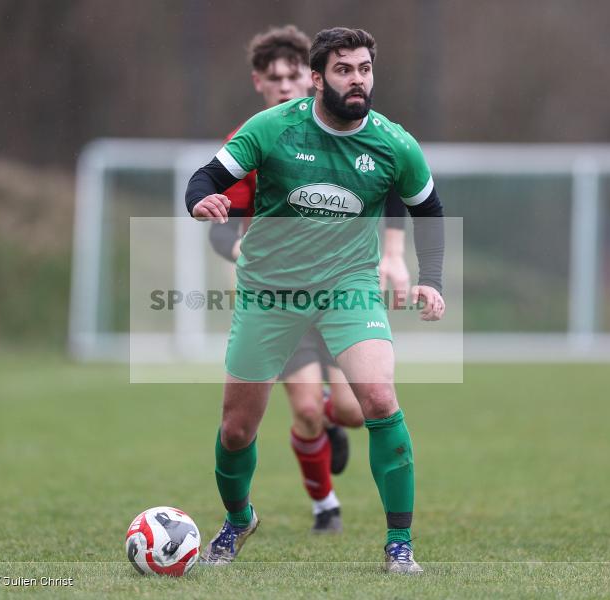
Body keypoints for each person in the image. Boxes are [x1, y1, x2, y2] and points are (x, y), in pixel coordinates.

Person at [186, 27, 444, 574]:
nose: (357, 80)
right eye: (345, 70)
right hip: (269, 293)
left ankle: (400, 543)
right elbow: (209, 175)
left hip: (347, 290)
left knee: (378, 400)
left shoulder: (393, 142)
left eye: (365, 69)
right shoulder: (273, 128)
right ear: (317, 78)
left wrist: (432, 279)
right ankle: (237, 520)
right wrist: (200, 200)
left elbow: (427, 206)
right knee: (236, 430)